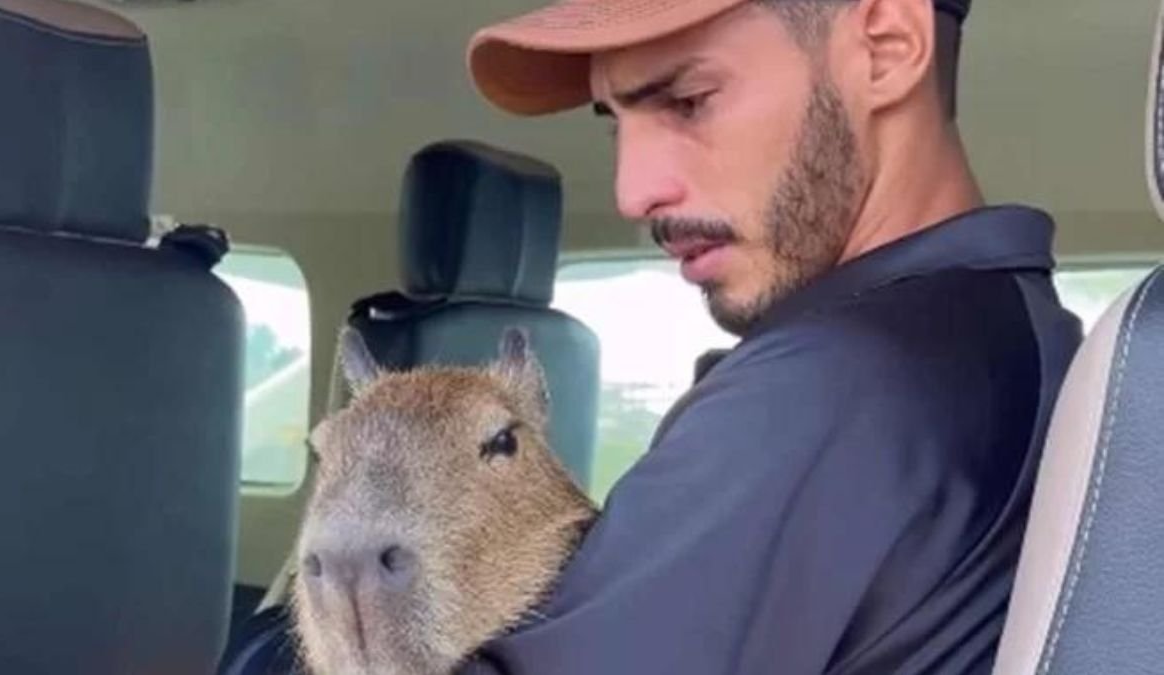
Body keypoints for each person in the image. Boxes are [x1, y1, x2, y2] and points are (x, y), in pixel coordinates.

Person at [460, 0, 1083, 673]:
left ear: (887, 47)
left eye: (689, 101)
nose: (633, 192)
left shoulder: (831, 383)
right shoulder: (1017, 331)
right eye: (618, 126)